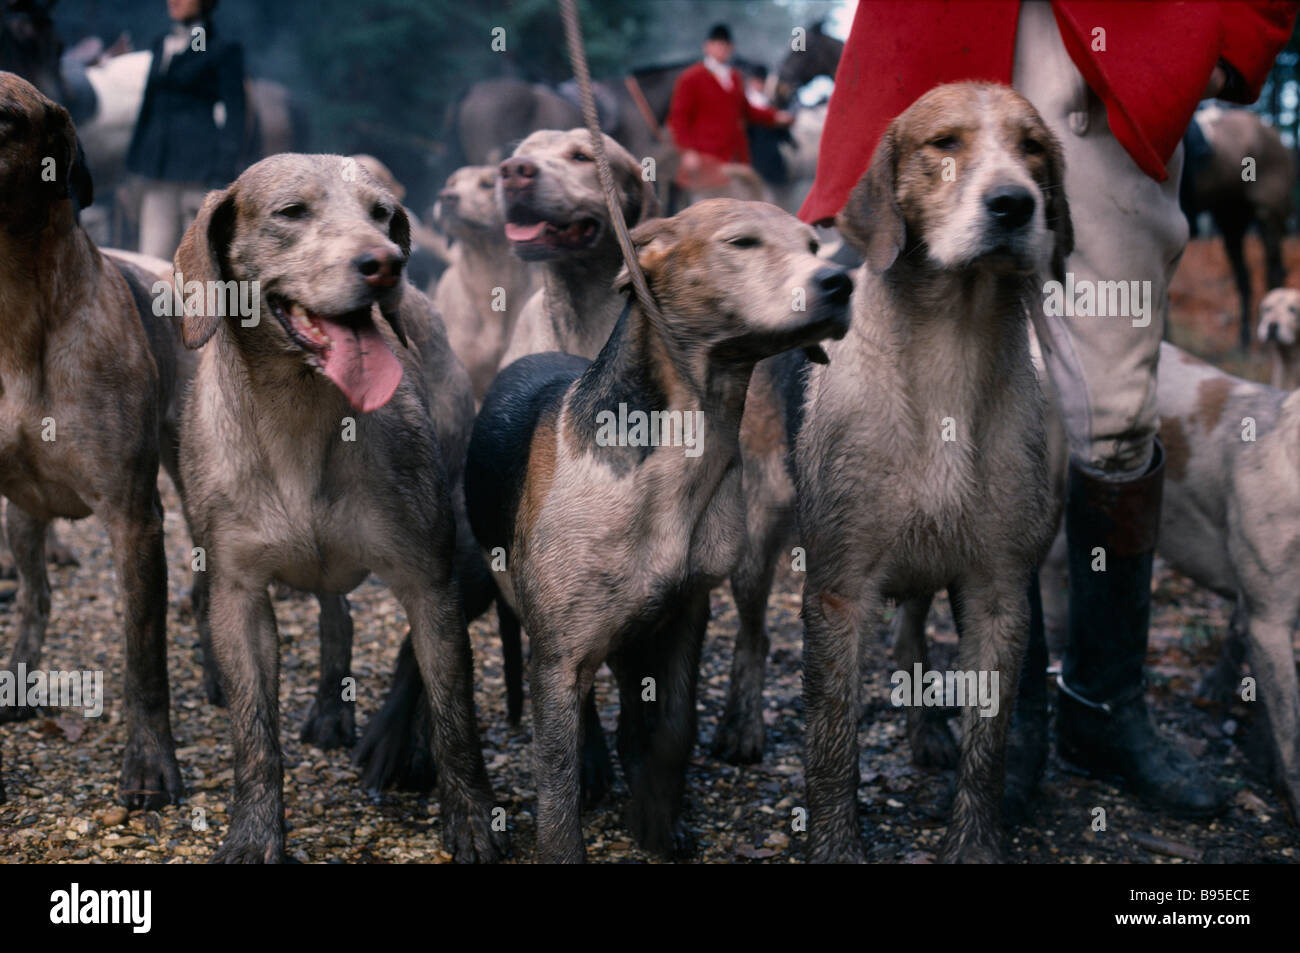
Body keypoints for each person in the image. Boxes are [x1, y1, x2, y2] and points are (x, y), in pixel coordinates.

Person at [801, 1, 1298, 818]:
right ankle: (1008, 730)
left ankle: (1104, 707)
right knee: (940, 390)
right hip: (935, 26)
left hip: (1116, 45)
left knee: (1113, 407)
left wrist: (1231, 38)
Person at [126, 0, 245, 261]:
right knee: (152, 256)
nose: (174, 1)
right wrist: (133, 165)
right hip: (158, 170)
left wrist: (221, 175)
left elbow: (236, 116)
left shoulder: (221, 48)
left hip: (198, 172)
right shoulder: (161, 42)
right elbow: (149, 104)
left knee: (198, 258)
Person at [667, 23, 793, 195]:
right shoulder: (691, 78)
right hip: (705, 160)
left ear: (731, 48)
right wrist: (688, 151)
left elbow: (747, 111)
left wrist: (776, 117)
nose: (722, 49)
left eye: (726, 45)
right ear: (707, 47)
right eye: (718, 44)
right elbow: (678, 119)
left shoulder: (735, 77)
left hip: (734, 160)